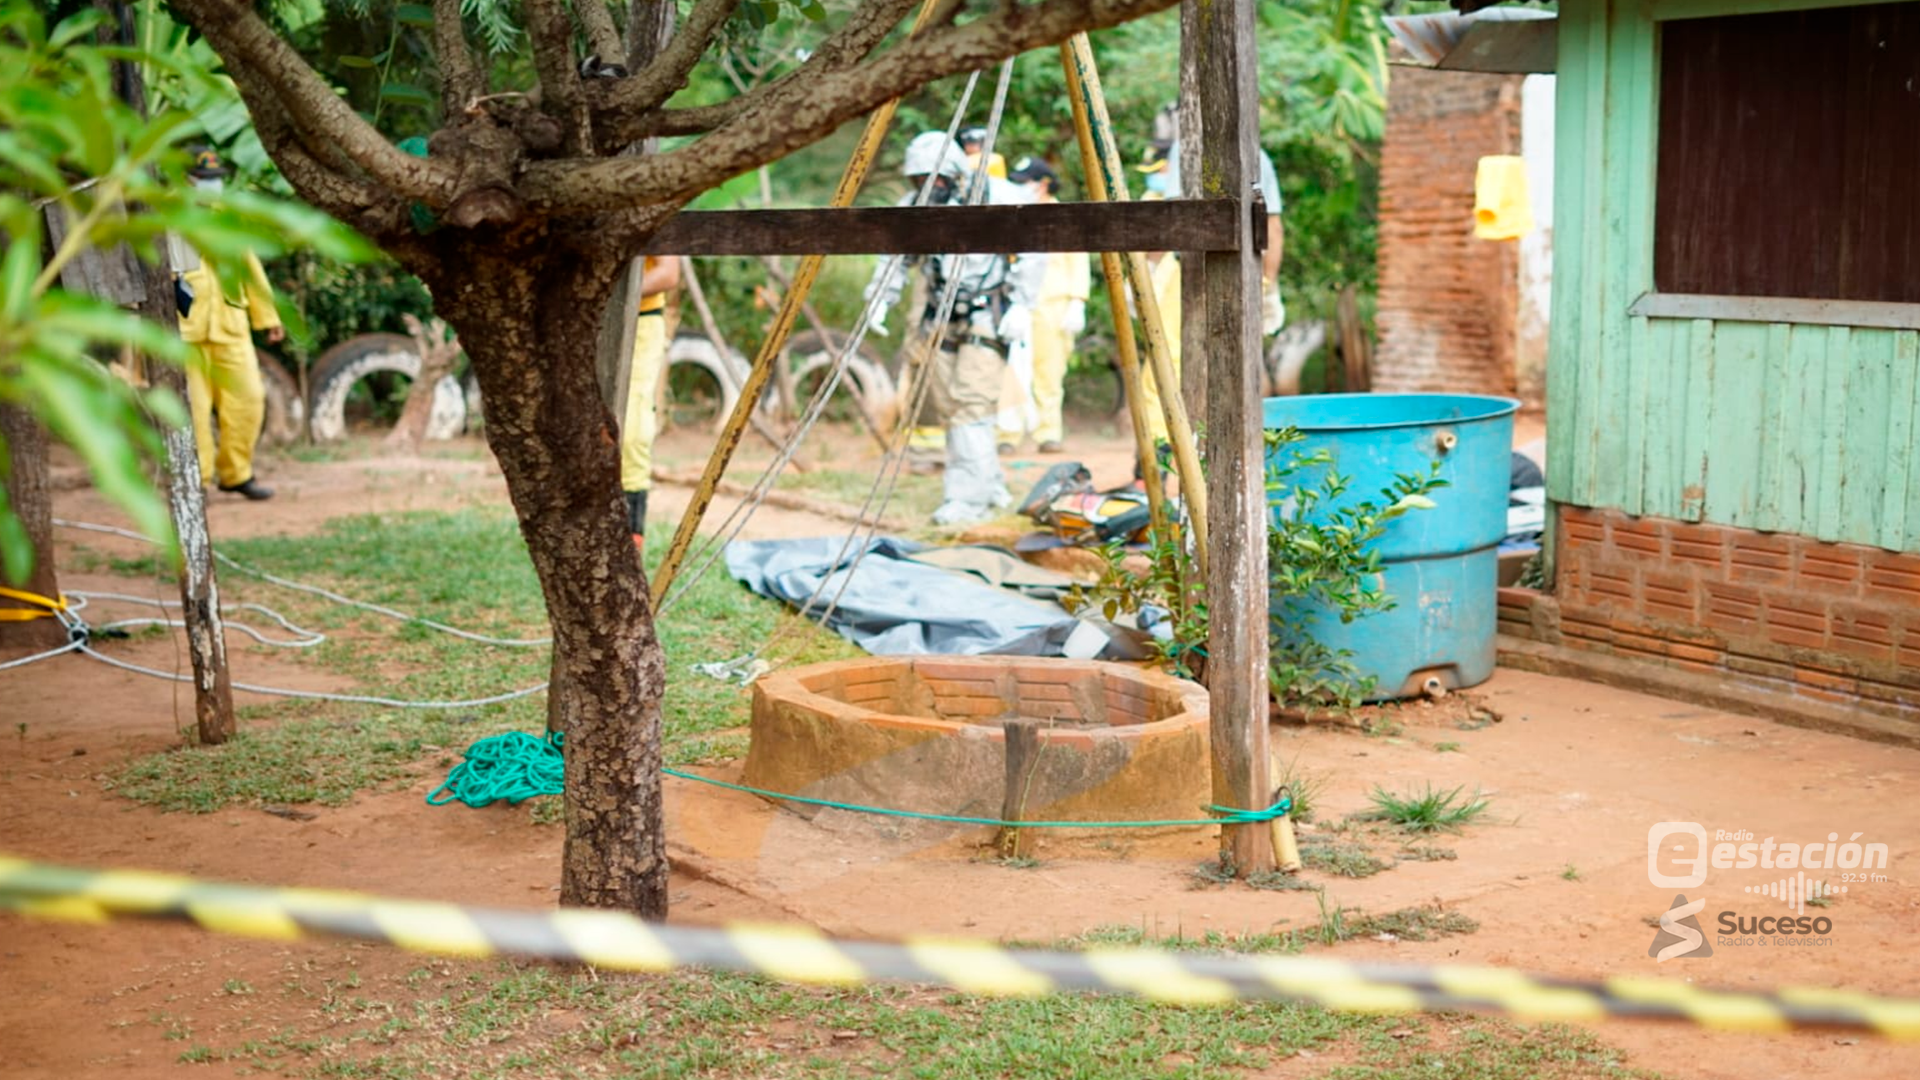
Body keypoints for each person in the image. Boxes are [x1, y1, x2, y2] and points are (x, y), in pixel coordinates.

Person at [865, 130, 1042, 525]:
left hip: (986, 312)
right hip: (940, 316)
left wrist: (1023, 304)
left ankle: (967, 500)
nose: (927, 188)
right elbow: (895, 256)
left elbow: (1035, 243)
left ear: (955, 173)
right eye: (919, 180)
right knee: (951, 407)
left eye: (935, 179)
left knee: (970, 403)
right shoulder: (914, 208)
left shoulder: (998, 197)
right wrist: (880, 297)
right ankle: (989, 482)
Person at [177, 147, 282, 501]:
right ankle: (200, 481)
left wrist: (266, 315)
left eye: (216, 180)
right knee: (193, 410)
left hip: (230, 326)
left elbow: (249, 267)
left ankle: (236, 474)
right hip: (184, 333)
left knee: (249, 399)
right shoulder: (165, 218)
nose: (212, 187)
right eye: (203, 181)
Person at [1138, 104, 1286, 335]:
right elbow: (1272, 227)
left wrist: (1147, 271)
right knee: (1240, 354)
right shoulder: (1258, 155)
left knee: (1182, 355)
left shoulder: (1188, 147)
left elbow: (1176, 217)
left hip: (1198, 274)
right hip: (1247, 275)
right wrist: (1269, 283)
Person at [996, 156, 1089, 454]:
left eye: (1026, 182)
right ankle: (1007, 435)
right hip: (1018, 303)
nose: (1020, 188)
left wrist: (1077, 301)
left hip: (1055, 305)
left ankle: (1048, 433)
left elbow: (1078, 259)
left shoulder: (1063, 216)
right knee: (1011, 371)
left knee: (1049, 373)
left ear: (1044, 184)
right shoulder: (1014, 214)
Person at [621, 255, 683, 551]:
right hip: (583, 321)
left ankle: (632, 539)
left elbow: (668, 273)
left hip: (641, 319)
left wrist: (609, 291)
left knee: (632, 431)